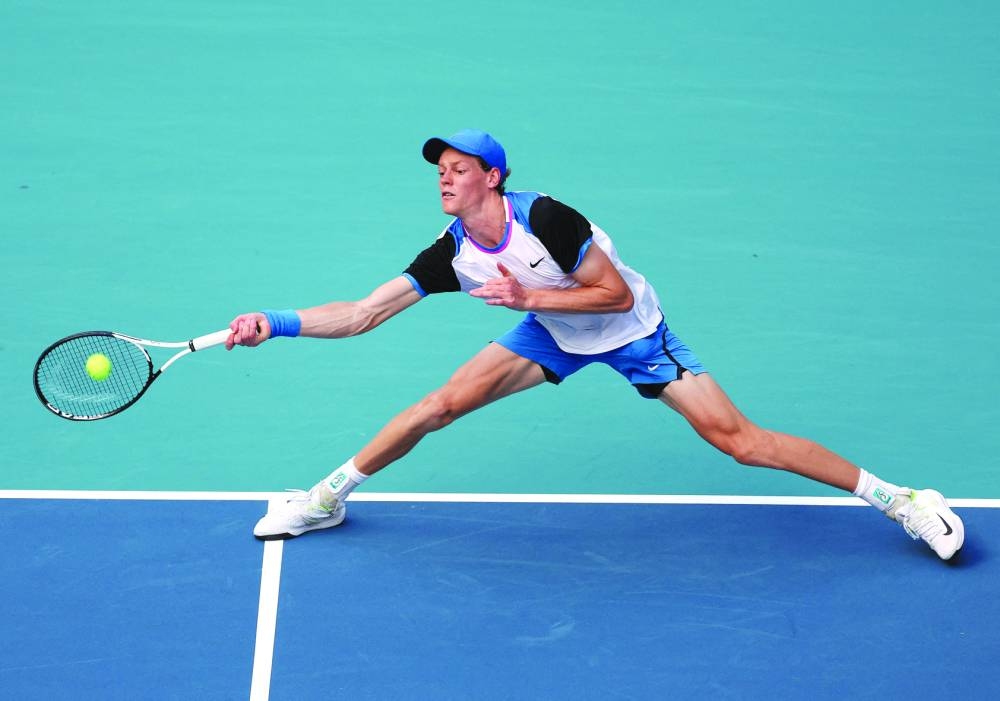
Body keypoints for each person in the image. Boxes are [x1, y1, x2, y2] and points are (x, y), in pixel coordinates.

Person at [226, 129, 965, 560]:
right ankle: (327, 498)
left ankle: (899, 497)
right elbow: (361, 313)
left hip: (633, 331)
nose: (444, 178)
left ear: (492, 175)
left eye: (457, 169)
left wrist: (529, 297)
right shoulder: (455, 252)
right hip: (551, 332)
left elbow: (612, 294)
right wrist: (274, 320)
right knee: (437, 405)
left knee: (741, 442)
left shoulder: (547, 218)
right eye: (439, 171)